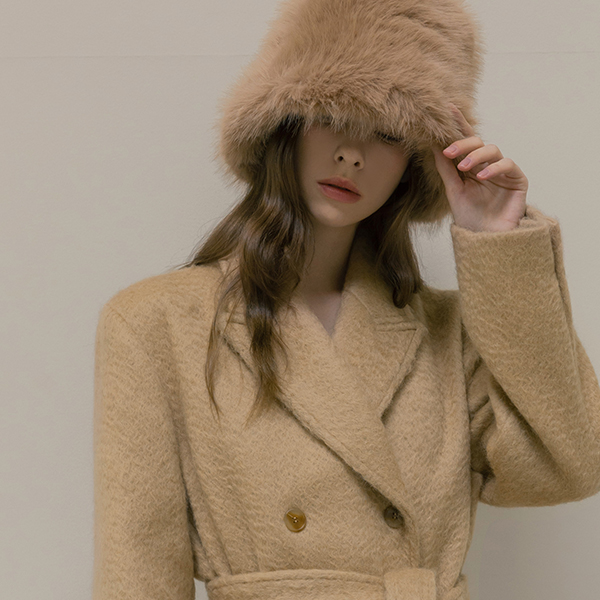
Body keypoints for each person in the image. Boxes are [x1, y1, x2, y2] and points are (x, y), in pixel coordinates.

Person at [92, 0, 600, 599]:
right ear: (282, 125)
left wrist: (499, 246)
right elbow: (137, 570)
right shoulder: (155, 323)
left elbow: (569, 466)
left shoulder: (446, 333)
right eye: (332, 115)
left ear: (417, 163)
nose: (353, 153)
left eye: (388, 133)